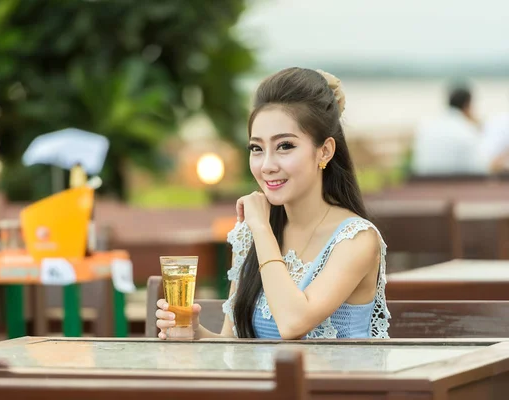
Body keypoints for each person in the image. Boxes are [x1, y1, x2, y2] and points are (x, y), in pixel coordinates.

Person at [156, 68, 390, 339]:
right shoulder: (254, 233)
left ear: (324, 150)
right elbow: (234, 347)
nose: (266, 166)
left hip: (336, 382)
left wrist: (261, 228)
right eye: (257, 148)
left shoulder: (357, 239)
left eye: (285, 146)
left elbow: (292, 324)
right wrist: (196, 335)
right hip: (268, 383)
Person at [411, 86, 487, 176]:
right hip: (457, 186)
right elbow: (479, 169)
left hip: (424, 184)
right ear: (467, 105)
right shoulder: (468, 131)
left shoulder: (426, 127)